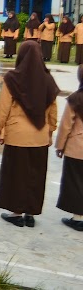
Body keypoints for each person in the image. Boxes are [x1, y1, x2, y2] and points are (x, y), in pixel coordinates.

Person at [0, 41, 59, 228]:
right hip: (39, 135)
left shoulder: (12, 78)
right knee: (35, 175)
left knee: (16, 174)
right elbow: (53, 111)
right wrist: (50, 131)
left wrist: (1, 128)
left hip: (17, 134)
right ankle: (30, 213)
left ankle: (16, 212)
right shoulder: (48, 80)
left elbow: (4, 108)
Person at [55, 66, 83, 231]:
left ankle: (78, 217)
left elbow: (66, 126)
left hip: (77, 147)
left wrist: (60, 146)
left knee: (75, 181)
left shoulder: (75, 99)